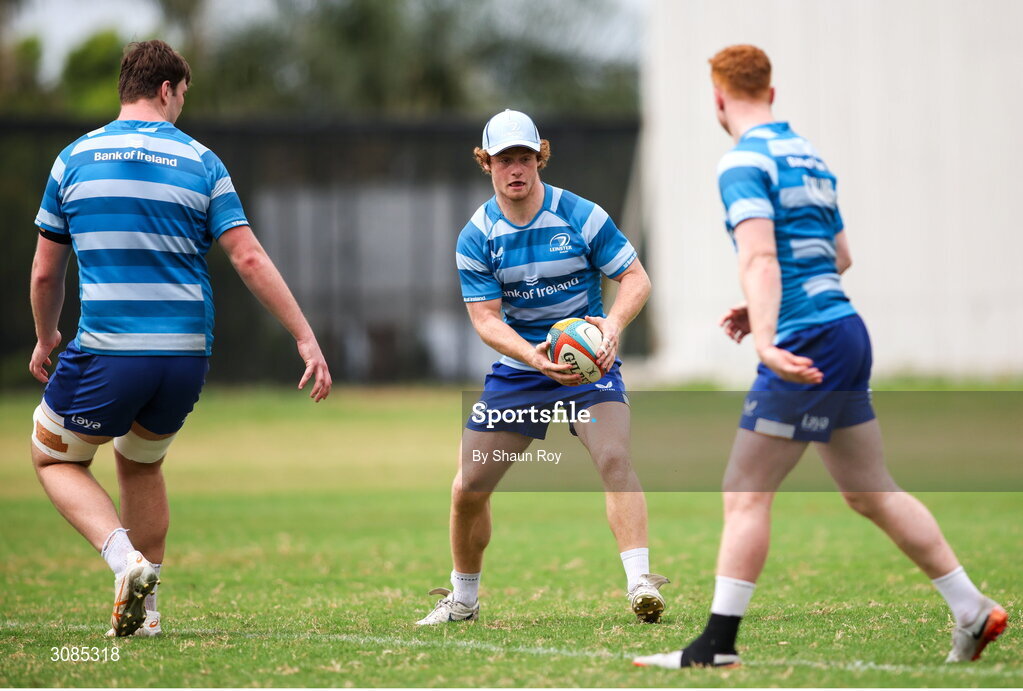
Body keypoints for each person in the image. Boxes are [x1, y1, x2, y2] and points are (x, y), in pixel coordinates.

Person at [634, 44, 1006, 668]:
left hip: (808, 338)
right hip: (845, 328)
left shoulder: (741, 162)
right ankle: (971, 608)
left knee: (745, 493)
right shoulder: (808, 156)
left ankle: (716, 647)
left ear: (719, 100)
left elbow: (759, 257)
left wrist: (769, 337)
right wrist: (762, 312)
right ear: (771, 95)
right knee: (871, 492)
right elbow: (839, 257)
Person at [29, 40, 331, 638]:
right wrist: (305, 337)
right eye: (183, 95)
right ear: (167, 89)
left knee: (51, 456)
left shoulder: (72, 160)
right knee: (141, 465)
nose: (182, 106)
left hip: (110, 352)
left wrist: (45, 339)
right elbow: (246, 257)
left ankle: (126, 561)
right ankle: (149, 617)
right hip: (186, 357)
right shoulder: (202, 161)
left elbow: (44, 272)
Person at [415, 109, 667, 625]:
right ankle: (463, 598)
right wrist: (533, 357)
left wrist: (612, 327)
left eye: (525, 158)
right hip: (524, 369)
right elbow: (485, 320)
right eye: (504, 159)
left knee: (615, 458)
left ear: (540, 158)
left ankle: (641, 582)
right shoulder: (476, 235)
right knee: (468, 487)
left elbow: (635, 278)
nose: (516, 169)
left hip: (589, 364)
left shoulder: (580, 214)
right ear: (486, 163)